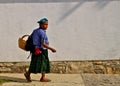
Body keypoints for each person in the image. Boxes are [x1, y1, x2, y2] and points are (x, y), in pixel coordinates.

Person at [24, 17, 56, 82]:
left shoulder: (35, 31)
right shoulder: (42, 32)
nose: (46, 26)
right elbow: (43, 44)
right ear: (41, 24)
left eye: (47, 24)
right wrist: (51, 49)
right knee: (43, 63)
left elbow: (31, 37)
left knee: (35, 63)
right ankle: (36, 76)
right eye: (45, 24)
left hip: (35, 49)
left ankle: (41, 77)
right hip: (41, 50)